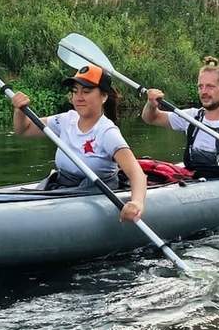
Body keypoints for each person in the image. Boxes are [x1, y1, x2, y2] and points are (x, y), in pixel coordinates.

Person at [12, 63, 146, 222]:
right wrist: (19, 110)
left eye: (86, 91)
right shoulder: (66, 120)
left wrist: (136, 203)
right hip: (62, 188)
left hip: (94, 191)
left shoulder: (107, 132)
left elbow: (136, 173)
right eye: (75, 91)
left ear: (103, 96)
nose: (78, 97)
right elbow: (24, 129)